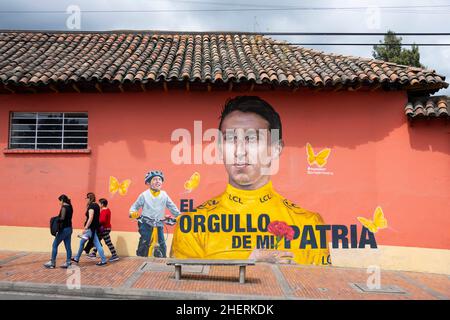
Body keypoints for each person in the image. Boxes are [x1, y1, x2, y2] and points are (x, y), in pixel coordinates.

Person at [171, 96, 330, 265]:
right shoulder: (192, 225)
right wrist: (247, 265)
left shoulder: (309, 224)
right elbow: (184, 288)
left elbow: (320, 290)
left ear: (275, 149)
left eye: (252, 139)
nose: (240, 151)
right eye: (231, 139)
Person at [129, 170, 180, 257]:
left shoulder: (164, 195)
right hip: (146, 222)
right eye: (155, 179)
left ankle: (163, 259)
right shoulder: (144, 195)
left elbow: (172, 207)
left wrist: (178, 215)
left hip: (159, 223)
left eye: (160, 179)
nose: (158, 181)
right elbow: (134, 207)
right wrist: (133, 213)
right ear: (148, 182)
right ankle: (140, 258)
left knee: (162, 243)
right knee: (145, 241)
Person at [71, 193, 108, 266]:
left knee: (97, 244)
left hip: (90, 229)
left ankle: (103, 260)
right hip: (94, 228)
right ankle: (77, 258)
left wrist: (86, 227)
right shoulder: (97, 205)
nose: (86, 200)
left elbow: (91, 218)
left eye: (86, 198)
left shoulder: (91, 206)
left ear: (89, 198)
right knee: (82, 242)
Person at [44, 194, 73, 269]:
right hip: (69, 229)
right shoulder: (70, 207)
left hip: (63, 230)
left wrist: (55, 219)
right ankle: (68, 262)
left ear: (62, 200)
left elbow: (62, 218)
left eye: (60, 201)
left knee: (54, 245)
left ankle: (52, 263)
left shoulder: (64, 207)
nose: (59, 203)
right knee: (68, 246)